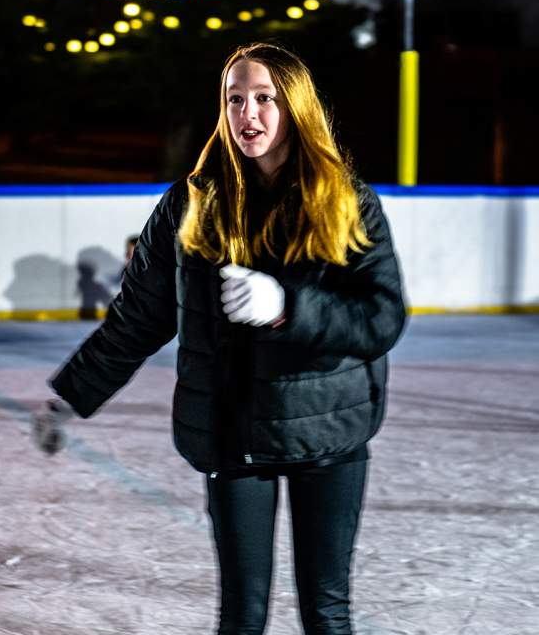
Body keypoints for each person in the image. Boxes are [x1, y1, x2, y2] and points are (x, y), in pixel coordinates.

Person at [33, 42, 407, 635]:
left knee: (326, 610)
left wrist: (288, 307)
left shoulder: (343, 200)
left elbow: (381, 317)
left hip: (327, 431)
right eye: (235, 100)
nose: (248, 115)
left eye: (265, 99)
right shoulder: (190, 203)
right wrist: (71, 395)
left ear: (296, 108)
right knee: (241, 616)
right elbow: (137, 319)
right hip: (234, 435)